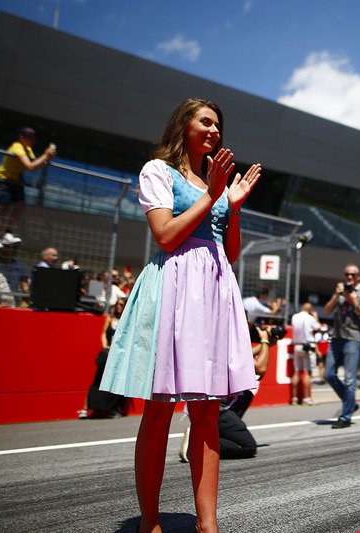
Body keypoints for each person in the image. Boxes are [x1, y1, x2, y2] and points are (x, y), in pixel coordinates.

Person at [99, 97, 261, 533]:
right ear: (183, 125)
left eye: (218, 125)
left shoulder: (217, 183)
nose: (214, 131)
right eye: (206, 122)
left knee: (207, 411)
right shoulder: (158, 171)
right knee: (158, 411)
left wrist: (234, 206)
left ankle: (208, 524)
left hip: (213, 287)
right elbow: (166, 236)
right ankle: (149, 523)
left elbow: (228, 251)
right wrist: (213, 194)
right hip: (173, 286)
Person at [179, 323, 273, 462]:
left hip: (202, 404)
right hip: (217, 409)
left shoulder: (218, 337)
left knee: (245, 394)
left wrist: (265, 345)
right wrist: (264, 340)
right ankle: (195, 445)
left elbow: (243, 358)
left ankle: (202, 435)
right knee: (247, 446)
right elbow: (260, 368)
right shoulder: (230, 342)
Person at [323, 263, 360, 429]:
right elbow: (326, 311)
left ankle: (345, 416)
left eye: (353, 275)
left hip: (353, 338)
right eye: (347, 275)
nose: (349, 278)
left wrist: (354, 302)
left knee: (350, 379)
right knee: (329, 374)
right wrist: (335, 295)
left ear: (358, 276)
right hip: (337, 337)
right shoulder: (340, 291)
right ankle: (350, 401)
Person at [0, 127, 56, 249]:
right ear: (21, 137)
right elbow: (30, 166)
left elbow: (35, 166)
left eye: (34, 138)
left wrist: (46, 159)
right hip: (4, 179)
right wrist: (45, 155)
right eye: (30, 138)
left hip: (16, 180)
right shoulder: (17, 147)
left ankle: (8, 233)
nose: (33, 141)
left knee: (20, 205)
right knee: (5, 207)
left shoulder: (28, 150)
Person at [79, 298, 127, 419]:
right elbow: (103, 333)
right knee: (98, 379)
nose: (119, 307)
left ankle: (116, 409)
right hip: (108, 352)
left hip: (120, 354)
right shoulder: (110, 319)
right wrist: (105, 345)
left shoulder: (127, 320)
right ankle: (85, 408)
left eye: (122, 305)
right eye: (118, 304)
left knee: (117, 381)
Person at [290, 302, 321, 406]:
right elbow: (319, 328)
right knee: (308, 372)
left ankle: (294, 398)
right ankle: (306, 398)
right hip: (307, 345)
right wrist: (315, 317)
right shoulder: (310, 318)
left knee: (297, 372)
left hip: (297, 345)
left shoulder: (295, 316)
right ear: (310, 310)